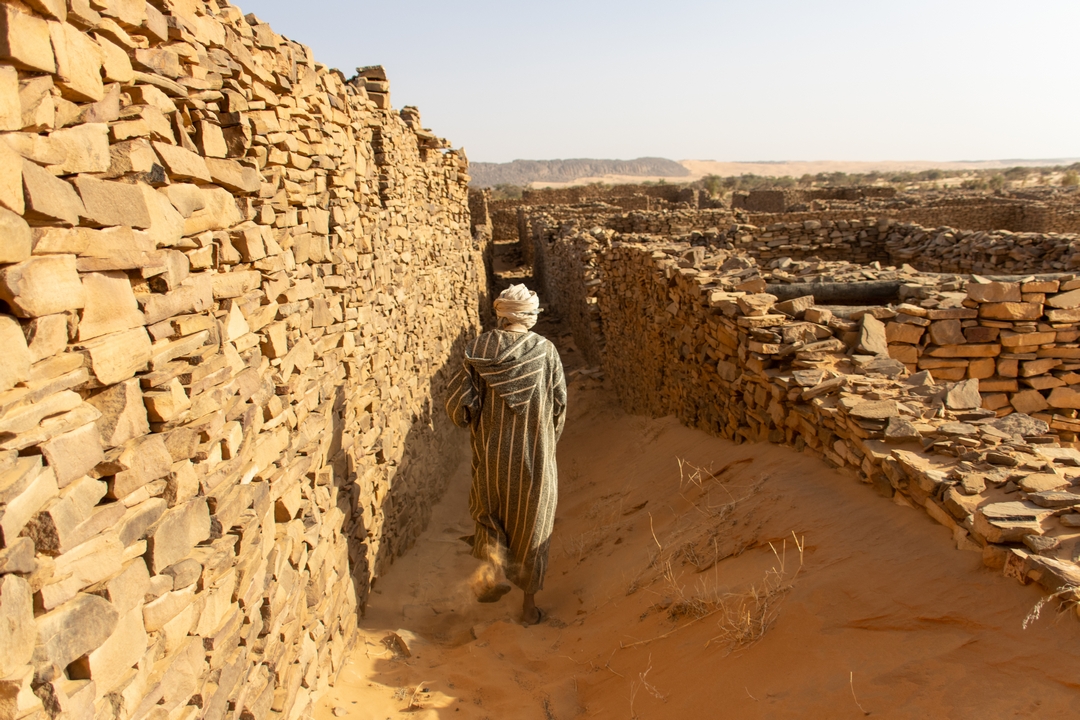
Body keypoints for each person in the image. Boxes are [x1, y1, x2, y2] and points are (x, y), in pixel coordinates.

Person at [445, 284, 567, 625]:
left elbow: (459, 408)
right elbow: (559, 405)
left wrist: (480, 424)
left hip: (492, 455)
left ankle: (495, 571)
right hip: (536, 459)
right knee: (534, 526)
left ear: (502, 313)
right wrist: (547, 441)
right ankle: (529, 609)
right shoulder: (546, 352)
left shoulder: (477, 349)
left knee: (490, 511)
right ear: (529, 314)